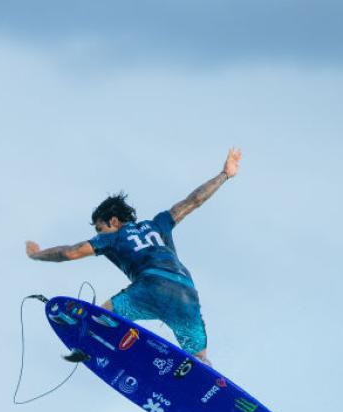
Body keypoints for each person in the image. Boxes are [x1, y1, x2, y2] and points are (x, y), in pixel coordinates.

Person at [25, 148, 241, 367]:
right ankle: (204, 376)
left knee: (101, 318)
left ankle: (89, 346)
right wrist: (224, 175)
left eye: (100, 228)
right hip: (186, 291)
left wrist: (37, 254)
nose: (99, 234)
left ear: (114, 221)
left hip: (151, 286)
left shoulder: (113, 238)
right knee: (199, 359)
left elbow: (69, 252)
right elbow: (193, 201)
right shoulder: (159, 223)